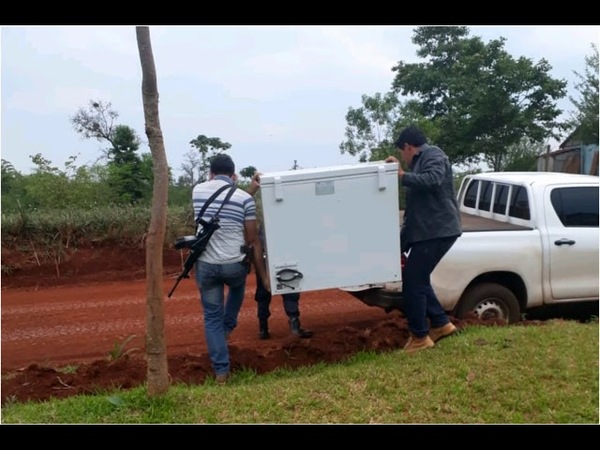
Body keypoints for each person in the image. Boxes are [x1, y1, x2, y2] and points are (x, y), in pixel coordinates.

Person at [192, 154, 270, 384]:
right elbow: (253, 240)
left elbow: (220, 201)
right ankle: (229, 326)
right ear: (233, 175)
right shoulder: (244, 200)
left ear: (211, 174)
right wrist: (264, 279)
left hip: (206, 265)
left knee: (211, 317)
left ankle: (221, 372)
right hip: (234, 266)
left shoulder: (197, 191)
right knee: (237, 285)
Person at [385, 125, 462, 353]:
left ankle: (419, 337)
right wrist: (398, 246)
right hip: (430, 231)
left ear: (408, 147)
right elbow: (415, 212)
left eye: (402, 153)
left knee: (413, 280)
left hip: (438, 230)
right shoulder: (421, 162)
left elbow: (434, 179)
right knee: (418, 278)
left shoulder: (434, 154)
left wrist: (401, 175)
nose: (402, 158)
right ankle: (440, 323)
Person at [246, 172, 313, 340]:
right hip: (283, 259)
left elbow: (257, 244)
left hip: (268, 261)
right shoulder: (287, 220)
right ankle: (294, 326)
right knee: (289, 288)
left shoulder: (267, 221)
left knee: (264, 293)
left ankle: (263, 329)